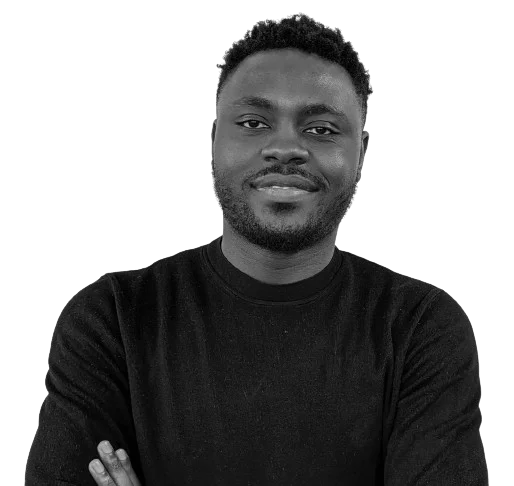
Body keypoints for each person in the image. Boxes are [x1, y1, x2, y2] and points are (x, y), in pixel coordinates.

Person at [25, 13, 487, 485]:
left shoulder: (420, 328)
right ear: (213, 141)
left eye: (321, 129)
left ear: (362, 156)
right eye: (253, 122)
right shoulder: (112, 322)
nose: (285, 147)